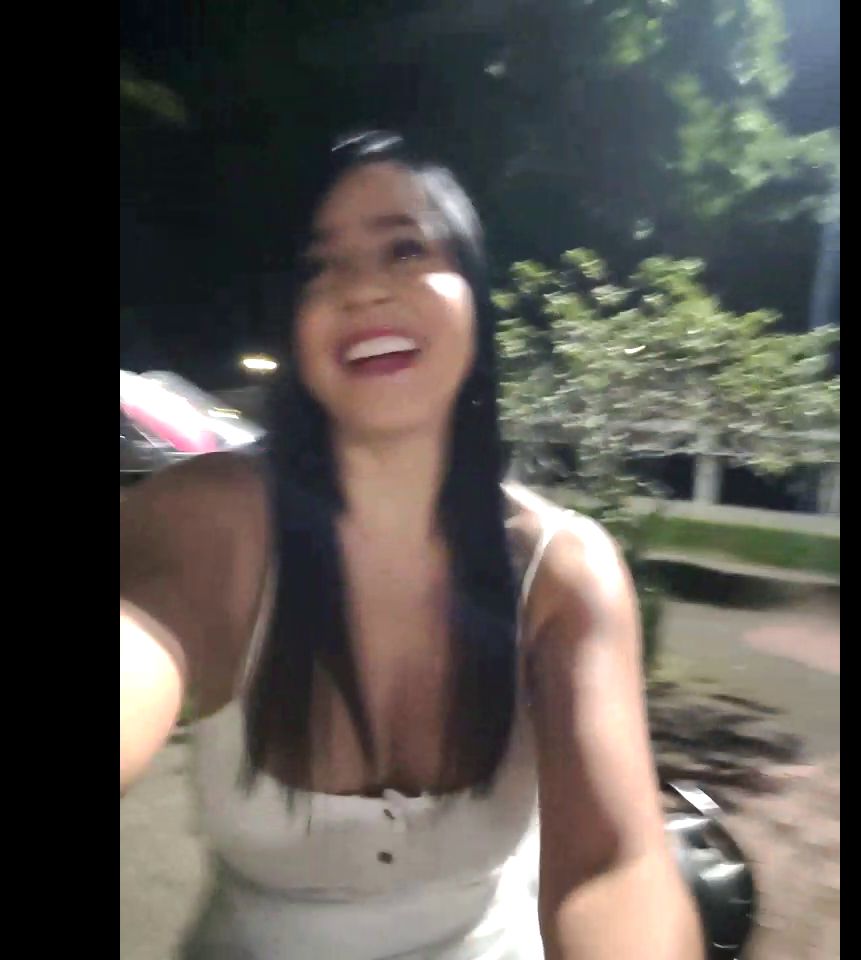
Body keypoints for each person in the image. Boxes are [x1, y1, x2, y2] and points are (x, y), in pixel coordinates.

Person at [120, 131, 702, 960]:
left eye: (405, 248)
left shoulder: (564, 573)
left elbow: (616, 866)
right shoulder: (212, 517)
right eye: (319, 267)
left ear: (473, 299)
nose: (362, 289)